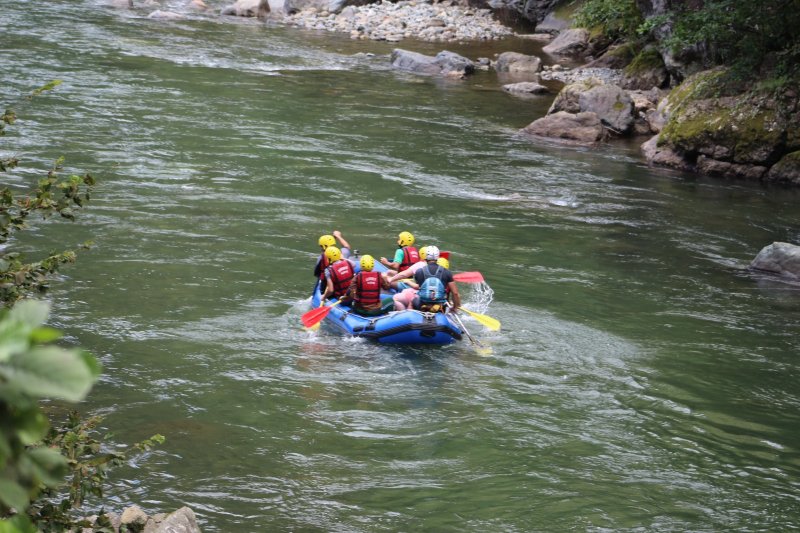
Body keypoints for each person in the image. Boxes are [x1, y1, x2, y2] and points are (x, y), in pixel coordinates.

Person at [411, 245, 461, 313]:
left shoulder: (419, 272)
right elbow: (455, 293)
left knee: (413, 301)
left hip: (422, 304)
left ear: (426, 256)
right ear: (438, 257)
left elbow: (418, 287)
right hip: (440, 306)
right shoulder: (447, 272)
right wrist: (454, 307)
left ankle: (413, 317)